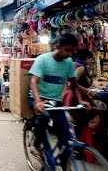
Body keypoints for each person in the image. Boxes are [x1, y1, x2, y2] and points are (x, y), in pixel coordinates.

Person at [29, 33, 91, 170]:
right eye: (67, 50)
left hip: (56, 101)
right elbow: (34, 81)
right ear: (57, 47)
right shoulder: (42, 60)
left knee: (65, 134)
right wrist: (38, 101)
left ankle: (64, 162)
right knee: (43, 117)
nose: (70, 54)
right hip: (38, 98)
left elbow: (73, 83)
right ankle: (36, 145)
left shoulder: (68, 63)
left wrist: (81, 101)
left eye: (72, 51)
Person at [62, 49, 98, 138]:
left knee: (77, 120)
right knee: (83, 118)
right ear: (85, 58)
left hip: (68, 95)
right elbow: (72, 84)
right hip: (75, 97)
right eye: (90, 59)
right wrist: (88, 91)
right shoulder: (80, 67)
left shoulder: (73, 64)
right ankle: (81, 141)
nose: (91, 61)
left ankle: (78, 141)